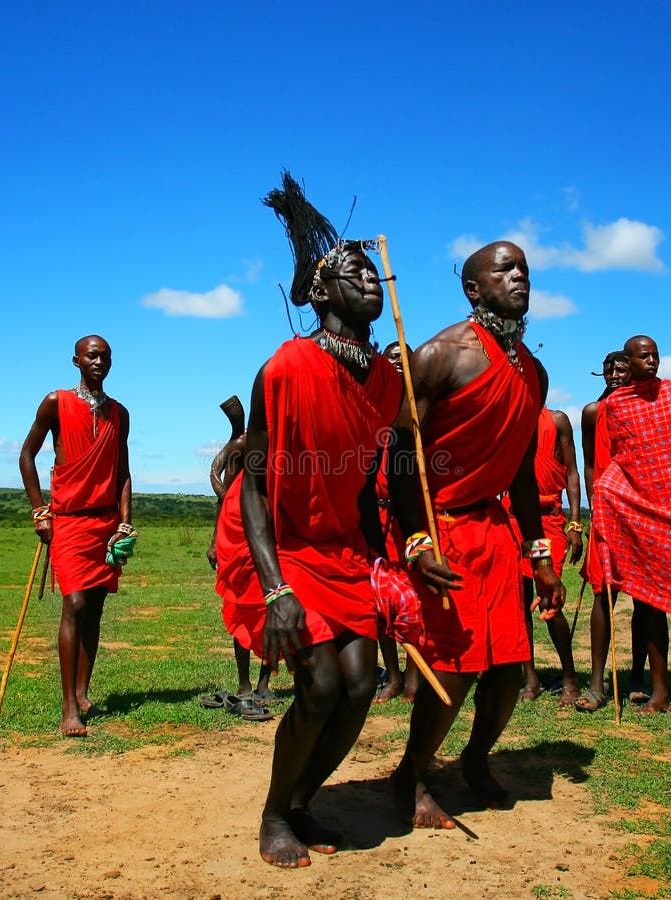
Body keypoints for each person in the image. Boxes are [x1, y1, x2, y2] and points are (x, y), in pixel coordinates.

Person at [215, 174, 455, 867]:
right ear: (320, 294)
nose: (371, 281)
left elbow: (400, 474)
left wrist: (412, 543)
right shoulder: (286, 367)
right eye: (354, 273)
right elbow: (255, 486)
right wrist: (275, 589)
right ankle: (272, 815)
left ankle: (300, 800)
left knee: (358, 688)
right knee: (318, 684)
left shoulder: (387, 381)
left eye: (376, 273)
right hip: (279, 547)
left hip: (342, 552)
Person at [388, 241, 565, 828]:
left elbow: (517, 466)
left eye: (525, 270)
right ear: (473, 288)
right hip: (439, 526)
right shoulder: (442, 353)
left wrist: (538, 551)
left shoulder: (531, 370)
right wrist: (416, 541)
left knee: (510, 666)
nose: (519, 277)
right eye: (504, 269)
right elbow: (400, 454)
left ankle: (476, 759)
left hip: (492, 528)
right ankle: (412, 776)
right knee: (454, 666)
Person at [19, 335, 133, 737]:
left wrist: (125, 521)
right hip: (68, 520)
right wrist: (40, 511)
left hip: (105, 524)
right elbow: (26, 455)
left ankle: (83, 692)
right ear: (76, 361)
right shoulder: (56, 402)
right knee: (75, 602)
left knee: (96, 607)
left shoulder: (120, 413)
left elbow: (122, 473)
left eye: (106, 356)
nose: (100, 361)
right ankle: (69, 706)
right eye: (92, 355)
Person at [593, 335, 671, 715]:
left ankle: (658, 690)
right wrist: (605, 500)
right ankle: (637, 689)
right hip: (633, 515)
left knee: (655, 605)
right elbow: (615, 462)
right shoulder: (614, 407)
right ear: (629, 360)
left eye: (655, 355)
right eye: (644, 356)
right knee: (631, 600)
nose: (652, 361)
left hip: (670, 511)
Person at [576, 351, 648, 711]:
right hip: (606, 510)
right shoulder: (592, 412)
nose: (615, 373)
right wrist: (596, 497)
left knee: (644, 599)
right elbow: (589, 462)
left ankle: (637, 678)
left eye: (621, 367)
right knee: (602, 594)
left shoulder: (645, 409)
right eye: (609, 368)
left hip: (641, 510)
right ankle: (596, 684)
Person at [505, 407, 583, 705]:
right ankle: (531, 677)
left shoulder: (558, 420)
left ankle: (570, 676)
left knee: (551, 599)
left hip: (549, 522)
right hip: (513, 522)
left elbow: (572, 472)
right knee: (519, 601)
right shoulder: (507, 418)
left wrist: (575, 523)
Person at [205, 420, 274, 713]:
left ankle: (264, 684)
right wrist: (213, 540)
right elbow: (216, 473)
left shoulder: (287, 446)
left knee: (273, 606)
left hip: (272, 531)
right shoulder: (242, 444)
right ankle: (244, 684)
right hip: (237, 533)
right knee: (243, 609)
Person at [374, 341, 420, 704]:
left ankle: (415, 675)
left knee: (416, 598)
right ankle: (391, 675)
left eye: (404, 359)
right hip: (377, 516)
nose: (399, 366)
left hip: (413, 517)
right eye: (392, 359)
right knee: (379, 599)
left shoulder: (423, 410)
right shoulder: (374, 408)